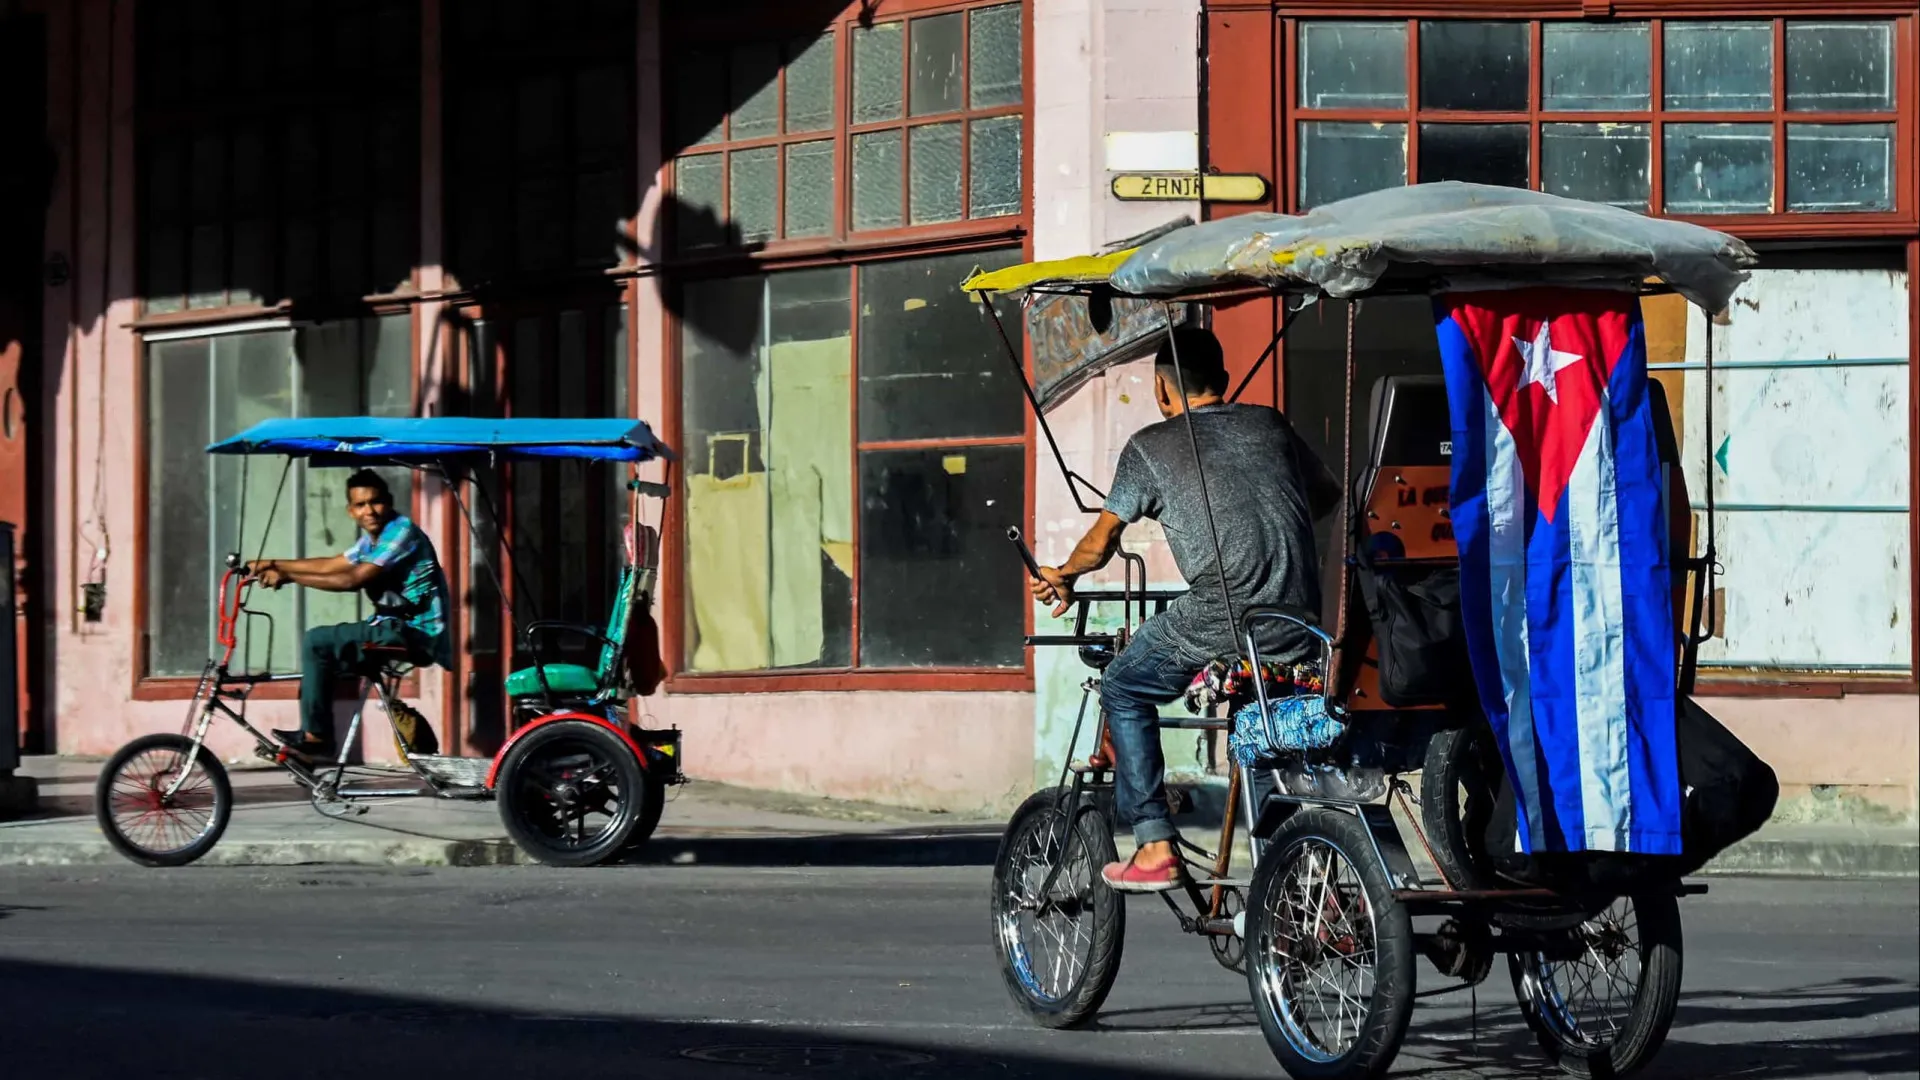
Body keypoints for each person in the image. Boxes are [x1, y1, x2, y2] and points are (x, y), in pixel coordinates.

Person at [1030, 326, 1340, 892]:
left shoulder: (1150, 445)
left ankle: (1153, 843)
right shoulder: (1270, 424)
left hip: (1223, 616)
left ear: (1161, 390)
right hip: (1299, 618)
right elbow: (1327, 495)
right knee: (1266, 732)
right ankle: (1294, 886)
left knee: (1123, 685)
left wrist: (1063, 575)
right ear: (1221, 383)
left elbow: (1099, 544)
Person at [248, 469, 451, 758]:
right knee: (323, 658)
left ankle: (316, 736)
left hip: (415, 633)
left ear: (389, 501)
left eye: (376, 502)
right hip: (392, 625)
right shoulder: (372, 541)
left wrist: (287, 577)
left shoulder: (401, 532)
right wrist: (272, 563)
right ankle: (310, 752)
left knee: (316, 641)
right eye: (360, 505)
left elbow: (352, 579)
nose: (370, 510)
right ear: (351, 511)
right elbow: (334, 564)